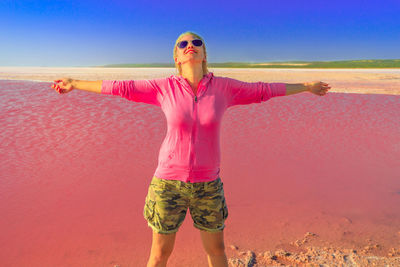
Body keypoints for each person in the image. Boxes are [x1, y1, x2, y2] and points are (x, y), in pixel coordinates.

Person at [51, 31, 331, 267]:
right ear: (176, 57)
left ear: (205, 54)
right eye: (182, 44)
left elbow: (262, 90)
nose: (190, 47)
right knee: (160, 254)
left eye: (196, 43)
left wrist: (306, 86)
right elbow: (121, 87)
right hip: (168, 184)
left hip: (208, 185)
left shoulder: (223, 88)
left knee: (217, 251)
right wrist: (75, 83)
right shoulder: (163, 88)